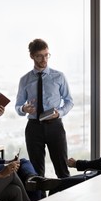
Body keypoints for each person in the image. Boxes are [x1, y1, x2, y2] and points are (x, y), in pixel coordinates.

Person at [15, 38, 74, 179]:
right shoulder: (25, 80)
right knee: (37, 173)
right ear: (32, 56)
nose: (44, 59)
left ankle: (64, 200)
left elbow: (69, 101)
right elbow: (18, 106)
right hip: (33, 128)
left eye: (46, 55)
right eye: (40, 56)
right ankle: (40, 200)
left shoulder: (59, 76)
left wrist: (59, 113)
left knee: (62, 170)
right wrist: (24, 109)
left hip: (55, 126)